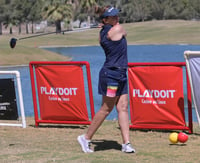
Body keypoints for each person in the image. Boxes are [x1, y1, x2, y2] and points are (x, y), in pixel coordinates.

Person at [77, 5, 135, 153]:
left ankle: (126, 143)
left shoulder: (103, 32)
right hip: (111, 76)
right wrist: (108, 25)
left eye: (117, 16)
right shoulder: (117, 29)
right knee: (107, 108)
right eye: (113, 16)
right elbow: (124, 32)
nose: (117, 18)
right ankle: (86, 138)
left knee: (122, 107)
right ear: (106, 19)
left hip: (120, 74)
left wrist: (105, 25)